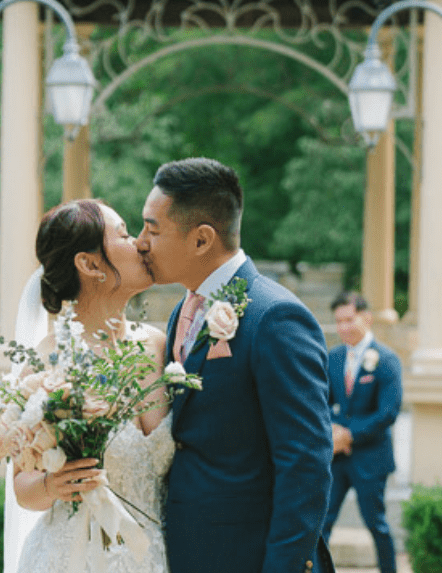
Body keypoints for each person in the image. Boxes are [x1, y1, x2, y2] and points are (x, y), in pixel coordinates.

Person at [136, 157, 335, 573]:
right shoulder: (180, 313)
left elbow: (305, 465)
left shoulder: (275, 318)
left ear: (201, 240)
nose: (140, 243)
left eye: (152, 229)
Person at [8, 199, 168, 573]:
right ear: (90, 264)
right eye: (124, 235)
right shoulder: (45, 365)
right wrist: (51, 485)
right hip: (70, 558)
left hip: (156, 556)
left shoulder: (160, 344)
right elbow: (21, 486)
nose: (140, 244)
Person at [322, 291, 402, 573]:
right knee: (322, 523)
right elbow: (321, 401)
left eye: (349, 320)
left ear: (366, 318)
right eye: (338, 321)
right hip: (336, 457)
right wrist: (332, 431)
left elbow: (388, 412)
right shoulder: (332, 357)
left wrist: (349, 434)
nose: (343, 327)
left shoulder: (386, 359)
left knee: (377, 524)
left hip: (370, 458)